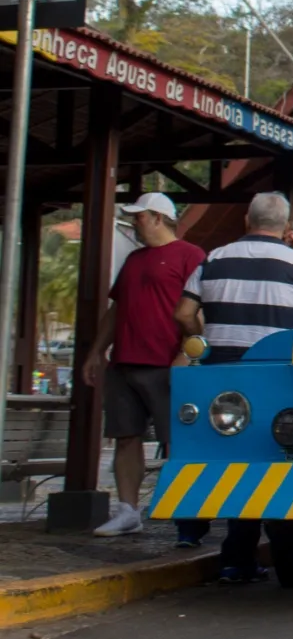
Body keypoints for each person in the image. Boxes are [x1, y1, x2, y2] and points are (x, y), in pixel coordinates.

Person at [174, 191, 293, 583]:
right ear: (287, 226)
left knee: (232, 463)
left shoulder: (213, 259)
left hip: (224, 376)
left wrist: (201, 340)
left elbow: (184, 313)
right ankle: (268, 549)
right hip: (281, 379)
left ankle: (232, 557)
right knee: (278, 461)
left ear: (247, 220)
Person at [83, 193, 205, 537]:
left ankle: (189, 518)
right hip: (124, 362)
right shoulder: (135, 259)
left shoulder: (191, 256)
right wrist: (96, 352)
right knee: (125, 436)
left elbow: (199, 310)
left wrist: (186, 354)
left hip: (166, 363)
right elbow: (115, 310)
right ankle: (127, 510)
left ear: (156, 217)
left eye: (138, 217)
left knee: (178, 441)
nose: (135, 222)